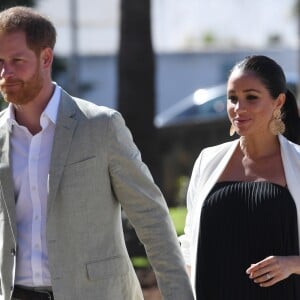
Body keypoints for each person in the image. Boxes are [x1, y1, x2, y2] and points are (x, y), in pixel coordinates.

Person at [0, 6, 194, 300]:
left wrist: (180, 295)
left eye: (16, 60)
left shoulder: (101, 126)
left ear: (46, 58)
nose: (6, 73)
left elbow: (152, 217)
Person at [179, 55, 300, 299]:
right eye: (232, 98)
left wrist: (292, 264)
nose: (238, 108)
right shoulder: (207, 161)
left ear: (278, 102)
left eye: (251, 98)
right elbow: (190, 244)